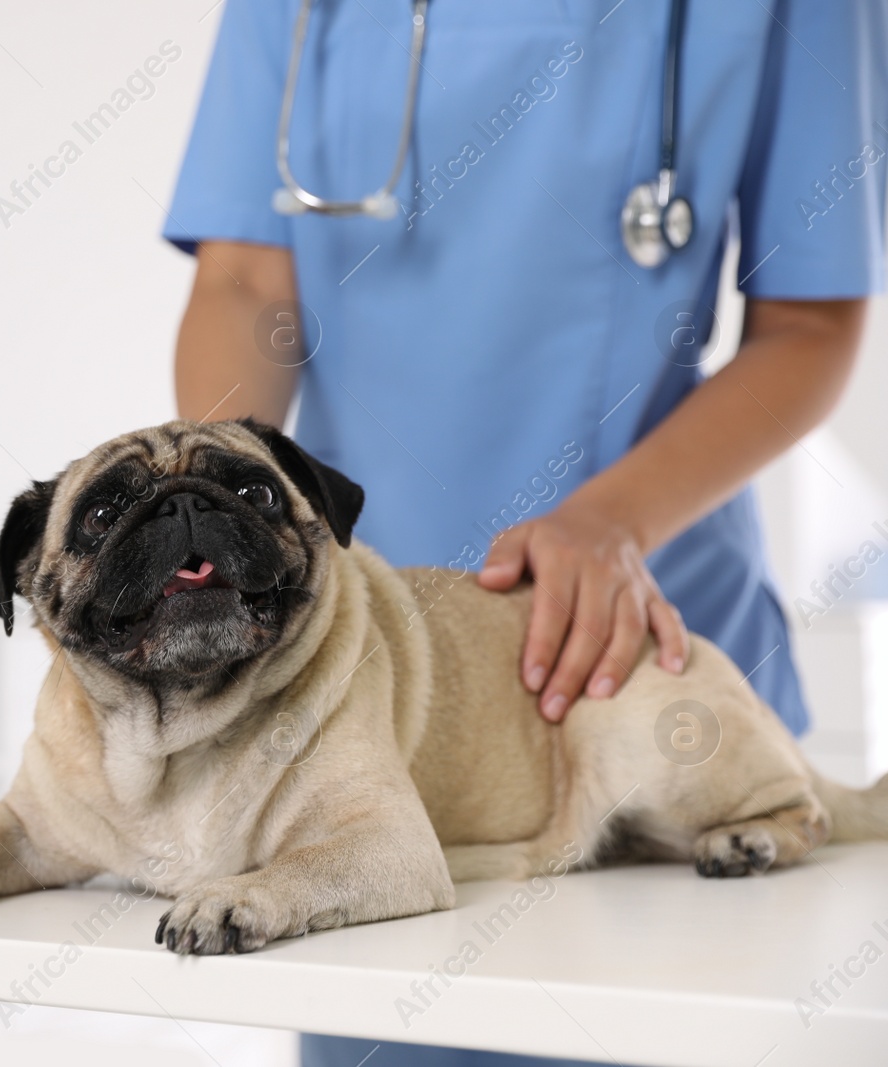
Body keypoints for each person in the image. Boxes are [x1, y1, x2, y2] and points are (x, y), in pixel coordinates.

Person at [164, 1, 885, 1064]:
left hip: (640, 663)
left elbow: (811, 324)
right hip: (363, 689)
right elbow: (242, 280)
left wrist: (611, 519)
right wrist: (227, 502)